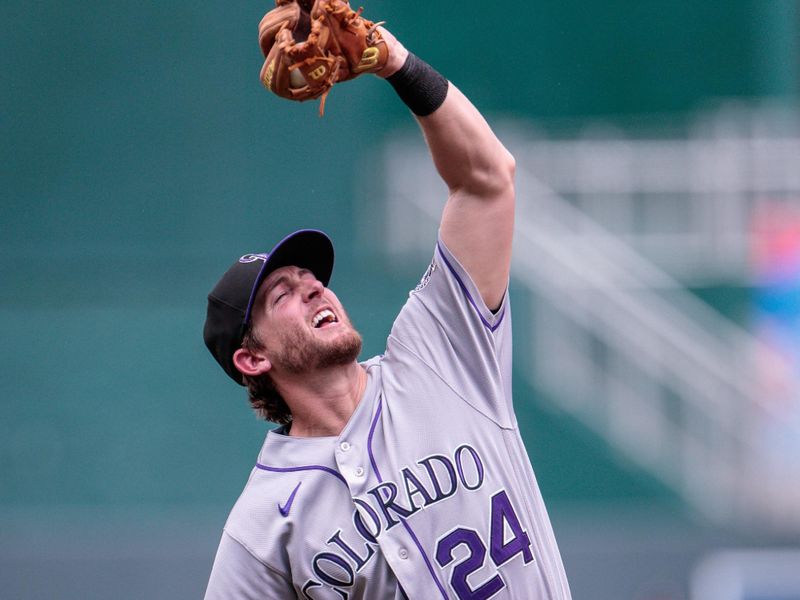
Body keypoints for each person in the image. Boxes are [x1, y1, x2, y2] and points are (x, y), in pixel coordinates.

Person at [202, 20, 572, 600]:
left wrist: (396, 63)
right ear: (252, 358)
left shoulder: (440, 355)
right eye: (283, 295)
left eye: (312, 280)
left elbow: (486, 182)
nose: (314, 290)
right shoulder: (261, 527)